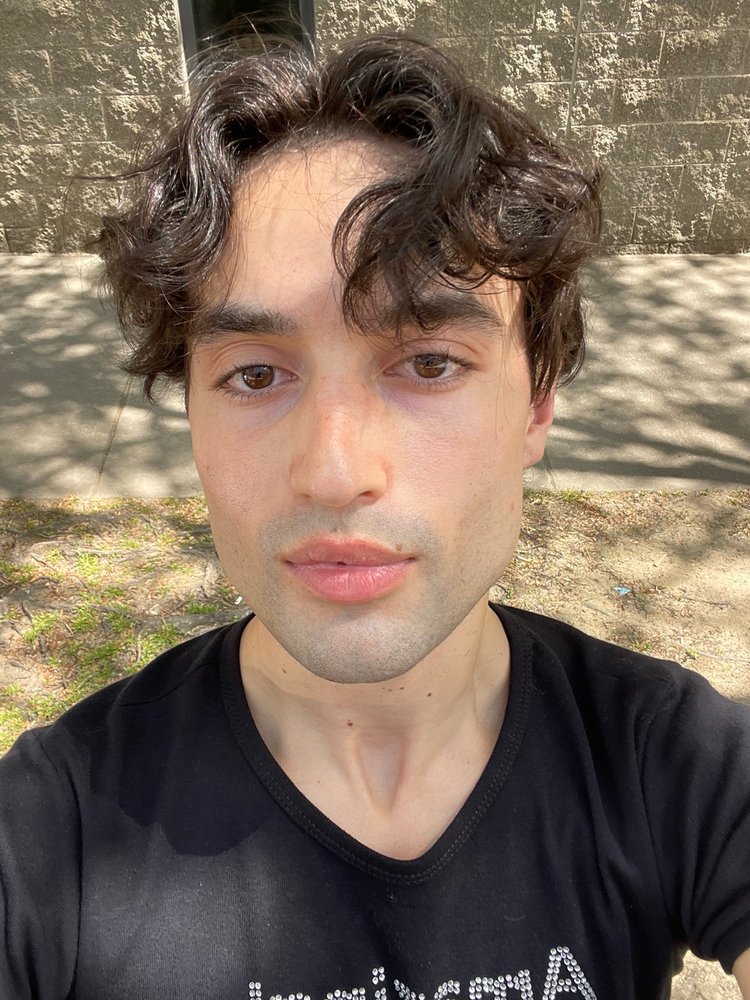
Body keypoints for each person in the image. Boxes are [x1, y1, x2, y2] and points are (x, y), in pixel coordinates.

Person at [1, 33, 749, 1000]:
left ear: (536, 403)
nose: (334, 471)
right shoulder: (50, 829)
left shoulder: (675, 762)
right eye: (255, 375)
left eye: (429, 363)